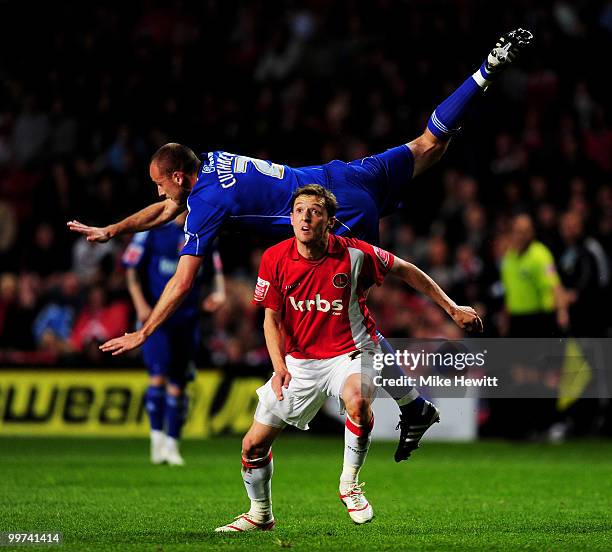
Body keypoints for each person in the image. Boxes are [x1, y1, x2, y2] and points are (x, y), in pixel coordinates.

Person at [68, 29, 531, 459]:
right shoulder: (209, 164)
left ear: (179, 177)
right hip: (342, 176)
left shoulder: (205, 201)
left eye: (158, 184)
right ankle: (486, 70)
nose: (158, 193)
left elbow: (185, 279)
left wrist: (144, 331)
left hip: (330, 212)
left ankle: (413, 406)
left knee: (353, 319)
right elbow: (169, 208)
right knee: (430, 143)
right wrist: (113, 230)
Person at [214, 185, 482, 531]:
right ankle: (260, 514)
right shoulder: (274, 258)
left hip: (352, 350)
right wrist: (279, 368)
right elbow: (271, 318)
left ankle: (349, 485)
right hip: (300, 362)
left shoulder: (355, 254)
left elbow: (406, 269)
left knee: (357, 400)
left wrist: (451, 307)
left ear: (330, 221)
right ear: (290, 218)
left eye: (314, 211)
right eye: (299, 211)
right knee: (252, 446)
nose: (305, 218)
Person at [122, 212, 225, 465]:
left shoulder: (203, 230)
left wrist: (219, 293)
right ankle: (156, 442)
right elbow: (132, 271)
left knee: (178, 383)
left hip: (188, 318)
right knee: (157, 376)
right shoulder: (153, 231)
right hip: (157, 317)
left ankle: (172, 445)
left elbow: (216, 269)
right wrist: (140, 305)